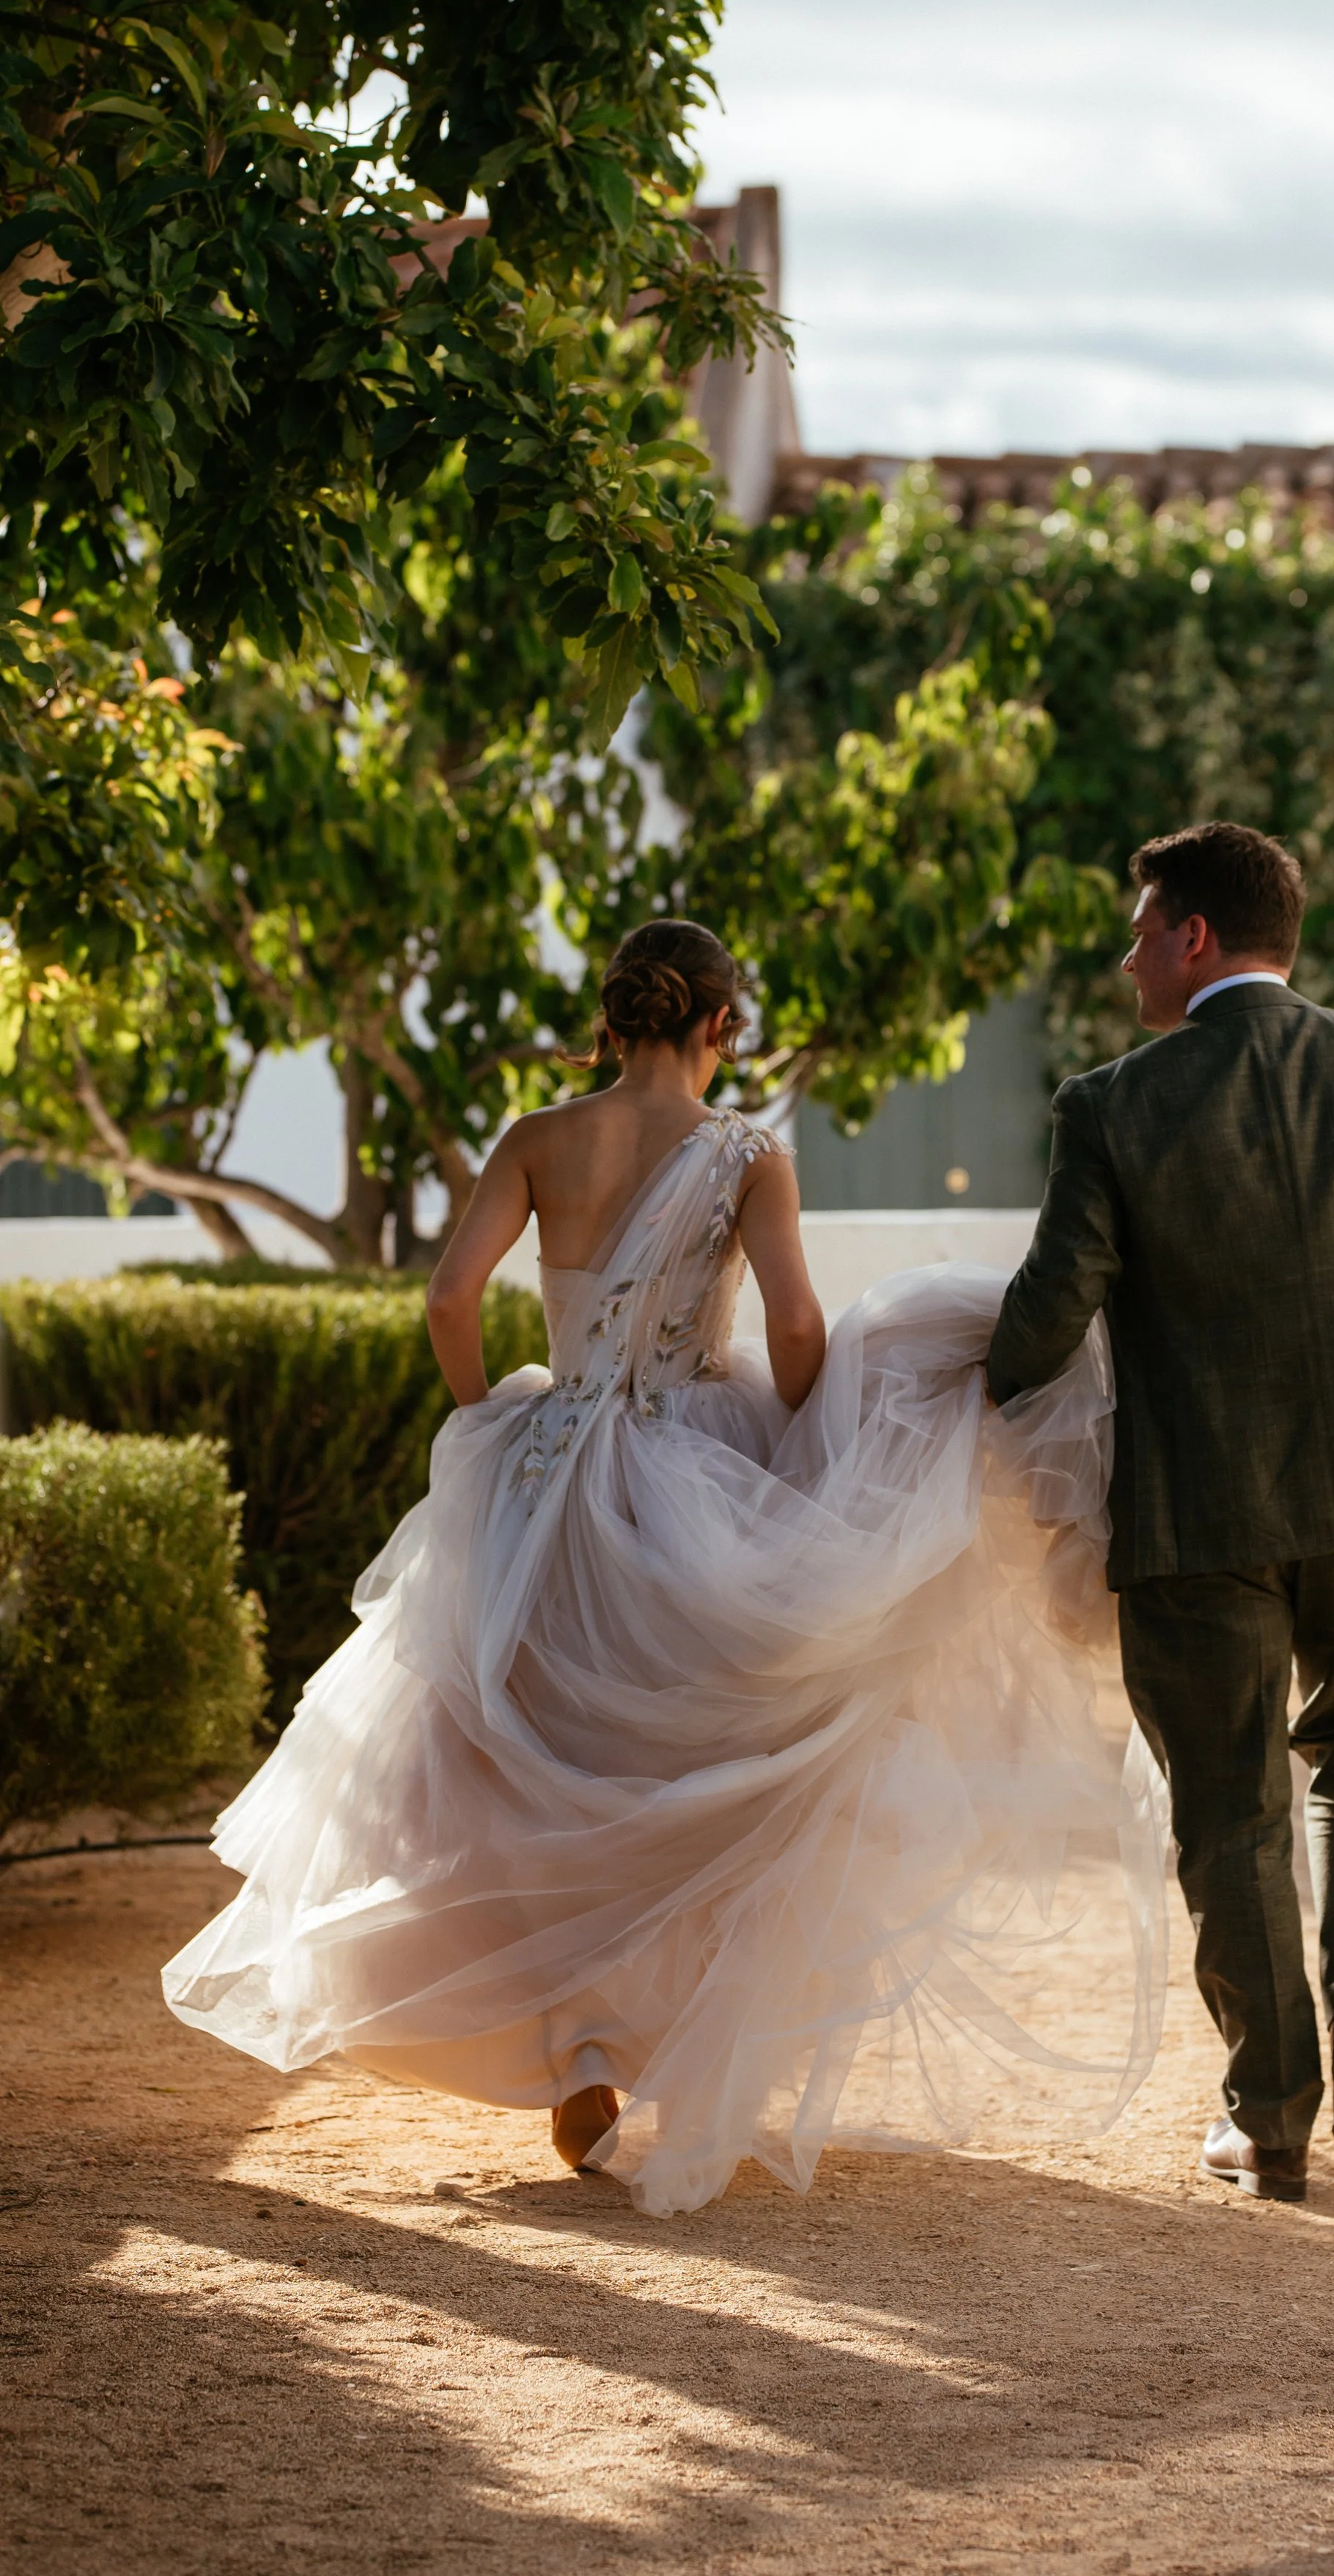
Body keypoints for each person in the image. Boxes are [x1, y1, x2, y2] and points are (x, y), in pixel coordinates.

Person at [165, 919, 1165, 2218]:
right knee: (697, 1764)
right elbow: (799, 1323)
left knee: (529, 1761)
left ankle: (576, 2044)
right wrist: (817, 1440)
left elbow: (450, 1298)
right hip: (694, 1461)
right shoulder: (747, 1156)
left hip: (541, 1472)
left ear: (619, 1016)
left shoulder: (535, 1137)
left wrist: (484, 1421)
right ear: (719, 1025)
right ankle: (643, 2041)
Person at [985, 822, 1334, 2202]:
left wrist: (958, 1392)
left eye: (1141, 930)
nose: (1126, 960)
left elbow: (1052, 1313)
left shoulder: (1112, 1104)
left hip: (1199, 1499)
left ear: (1196, 939)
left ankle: (1270, 2114)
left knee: (1227, 1805)